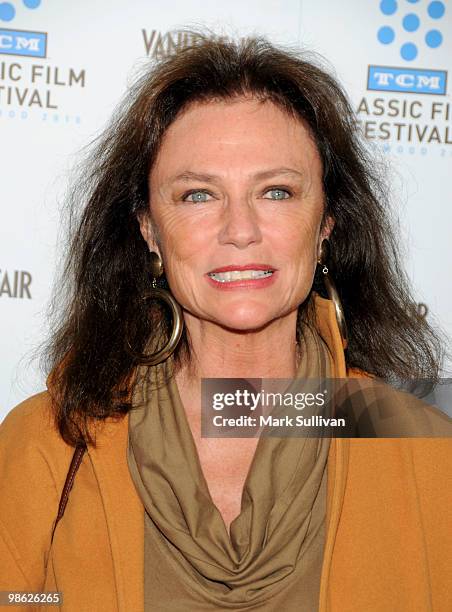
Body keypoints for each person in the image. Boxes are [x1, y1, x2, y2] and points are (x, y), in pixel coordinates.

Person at [1, 31, 451, 612]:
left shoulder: (428, 454)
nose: (240, 229)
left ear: (326, 227)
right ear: (147, 230)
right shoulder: (49, 443)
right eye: (197, 196)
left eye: (277, 191)